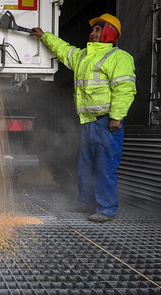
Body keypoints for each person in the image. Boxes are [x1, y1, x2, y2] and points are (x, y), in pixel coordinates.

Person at [30, 13, 136, 223]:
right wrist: (44, 36)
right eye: (93, 29)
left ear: (109, 32)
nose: (92, 32)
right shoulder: (83, 57)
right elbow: (63, 49)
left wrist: (116, 116)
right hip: (88, 122)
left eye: (97, 29)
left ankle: (106, 209)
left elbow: (125, 88)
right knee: (85, 165)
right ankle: (86, 203)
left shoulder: (119, 57)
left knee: (105, 166)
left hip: (107, 122)